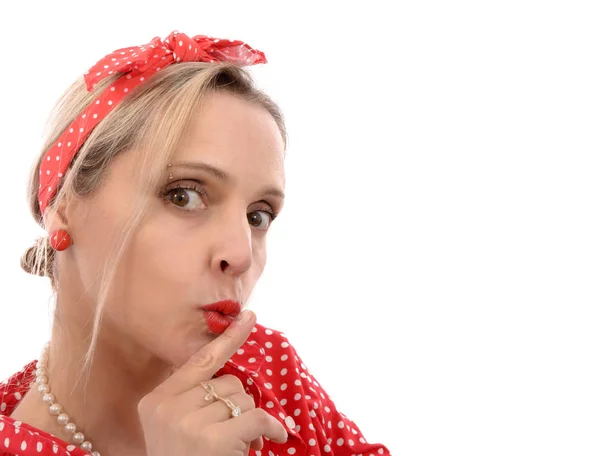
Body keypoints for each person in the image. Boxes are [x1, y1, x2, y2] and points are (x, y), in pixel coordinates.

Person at [0, 31, 390, 456]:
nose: (240, 255)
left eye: (257, 216)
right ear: (65, 204)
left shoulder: (269, 373)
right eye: (183, 195)